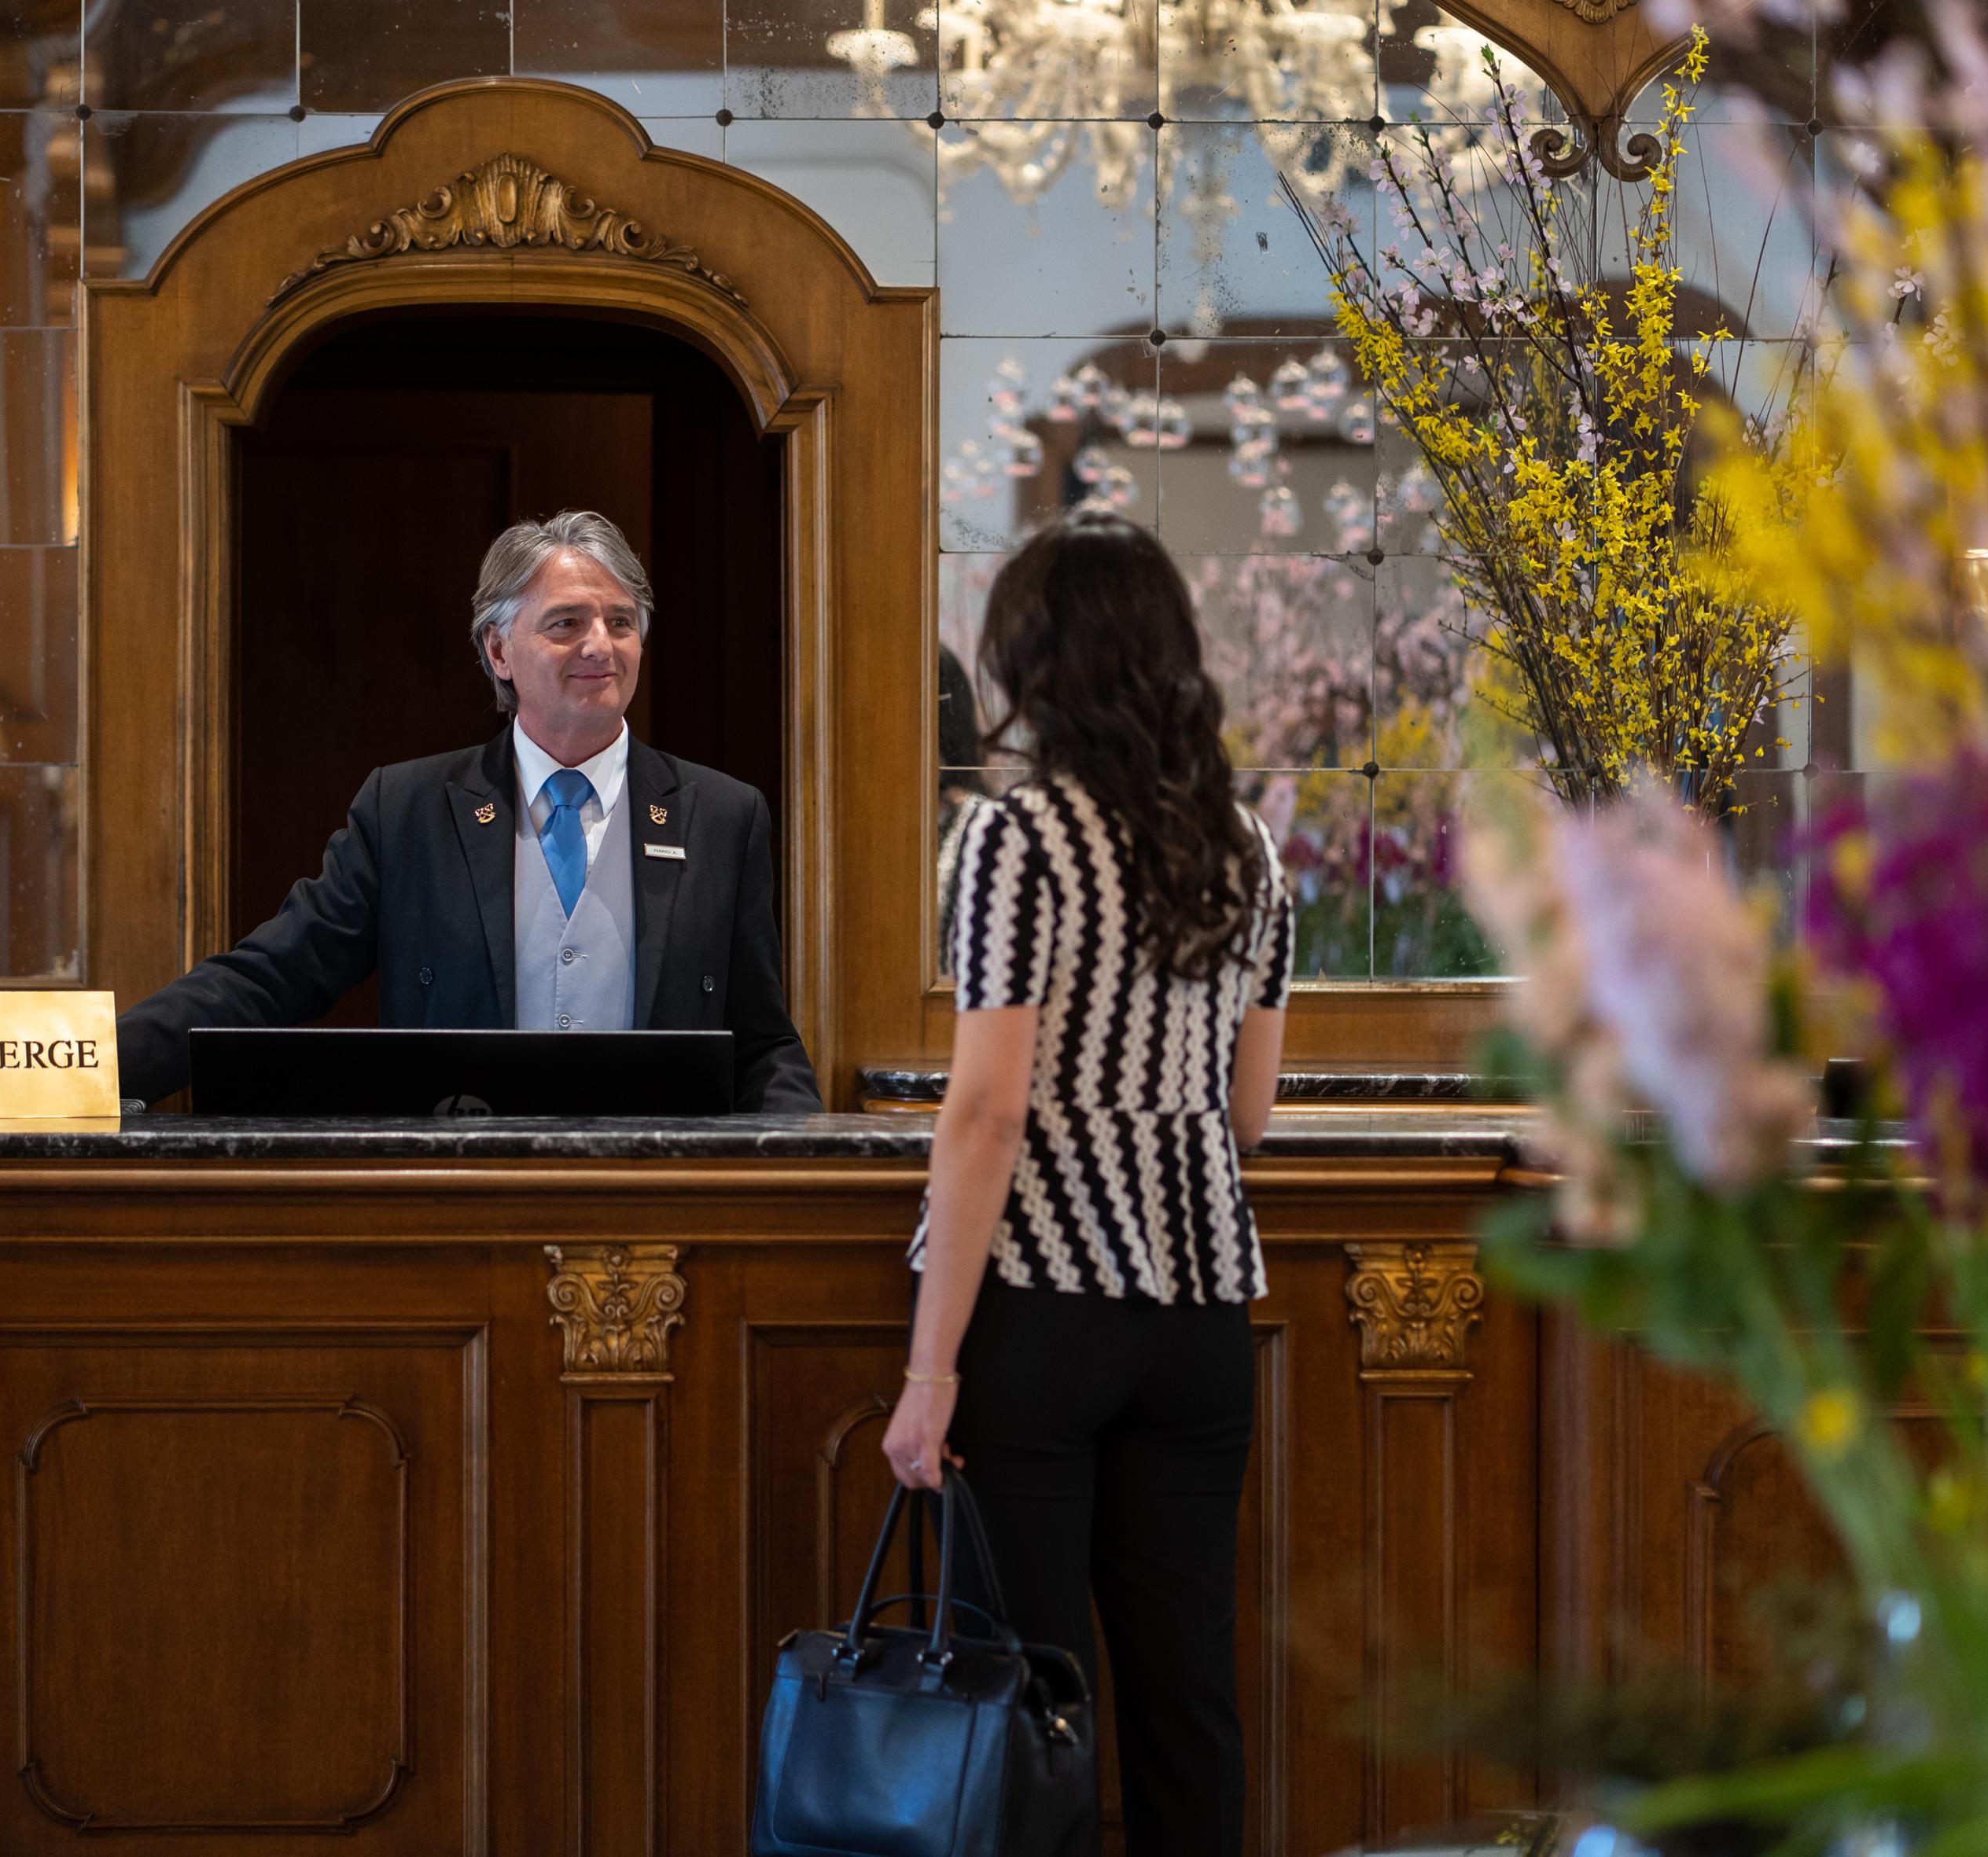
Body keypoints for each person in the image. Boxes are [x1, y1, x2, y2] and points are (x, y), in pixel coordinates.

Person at [881, 509, 1293, 1857]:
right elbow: (1248, 1109)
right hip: (1201, 1309)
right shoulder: (1248, 846)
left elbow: (989, 1110)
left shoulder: (1020, 838)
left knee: (1035, 1699)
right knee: (1189, 1696)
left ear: (1035, 662)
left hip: (1047, 1307)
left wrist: (930, 1371)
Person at [118, 509, 820, 1112]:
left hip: (652, 1201)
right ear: (498, 649)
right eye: (566, 623)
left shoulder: (724, 815)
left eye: (620, 622)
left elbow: (762, 1042)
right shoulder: (408, 811)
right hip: (461, 1192)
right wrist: (92, 1069)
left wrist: (806, 1175)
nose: (600, 645)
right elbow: (273, 976)